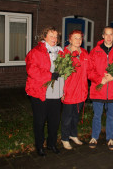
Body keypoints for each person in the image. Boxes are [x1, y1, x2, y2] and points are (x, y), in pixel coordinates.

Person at [88, 26, 113, 151]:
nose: (109, 37)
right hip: (98, 90)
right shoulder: (95, 51)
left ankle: (110, 138)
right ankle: (94, 136)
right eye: (106, 34)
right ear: (102, 36)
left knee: (111, 115)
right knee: (97, 115)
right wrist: (100, 79)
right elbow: (89, 70)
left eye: (111, 34)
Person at [25, 26, 64, 157]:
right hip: (40, 92)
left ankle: (52, 144)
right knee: (40, 121)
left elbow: (63, 73)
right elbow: (31, 71)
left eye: (56, 36)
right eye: (51, 36)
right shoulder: (36, 52)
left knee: (54, 121)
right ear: (44, 37)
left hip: (56, 93)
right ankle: (39, 146)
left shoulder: (60, 52)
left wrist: (63, 89)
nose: (54, 39)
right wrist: (50, 75)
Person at [60, 30, 89, 150]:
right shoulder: (64, 53)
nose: (78, 40)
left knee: (75, 116)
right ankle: (64, 138)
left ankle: (73, 135)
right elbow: (60, 74)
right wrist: (61, 91)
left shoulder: (85, 53)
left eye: (80, 38)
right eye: (75, 38)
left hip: (81, 90)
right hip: (69, 90)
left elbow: (90, 69)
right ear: (70, 39)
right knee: (67, 117)